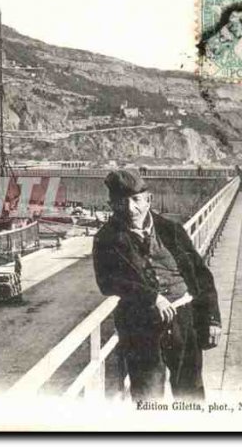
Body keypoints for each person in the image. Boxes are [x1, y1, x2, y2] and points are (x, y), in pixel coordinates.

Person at [93, 169, 221, 402]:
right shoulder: (106, 239)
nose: (131, 208)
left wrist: (212, 317)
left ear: (148, 199)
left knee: (191, 391)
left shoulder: (171, 230)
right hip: (141, 326)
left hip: (184, 319)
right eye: (122, 202)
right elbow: (107, 282)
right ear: (112, 205)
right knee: (148, 396)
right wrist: (151, 296)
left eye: (136, 200)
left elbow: (201, 274)